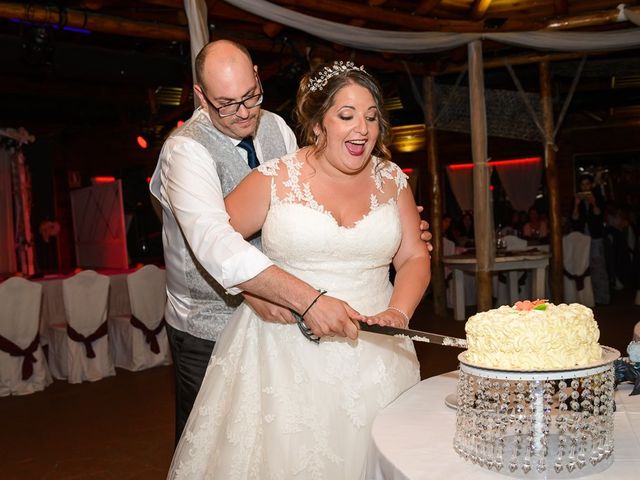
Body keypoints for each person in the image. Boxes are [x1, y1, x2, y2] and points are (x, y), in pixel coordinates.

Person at [150, 40, 433, 445]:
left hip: (335, 326)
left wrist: (387, 230)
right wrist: (288, 296)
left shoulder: (276, 128)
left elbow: (297, 208)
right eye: (227, 104)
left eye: (251, 96)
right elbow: (213, 240)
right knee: (222, 436)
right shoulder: (184, 151)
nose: (245, 111)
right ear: (200, 96)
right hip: (209, 318)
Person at [571, 173, 609, 304]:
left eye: (587, 184)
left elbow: (599, 215)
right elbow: (574, 220)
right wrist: (576, 205)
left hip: (595, 237)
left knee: (598, 267)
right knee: (583, 267)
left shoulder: (598, 197)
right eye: (583, 185)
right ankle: (586, 299)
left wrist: (593, 203)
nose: (585, 187)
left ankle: (602, 298)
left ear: (591, 185)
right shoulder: (577, 200)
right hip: (582, 239)